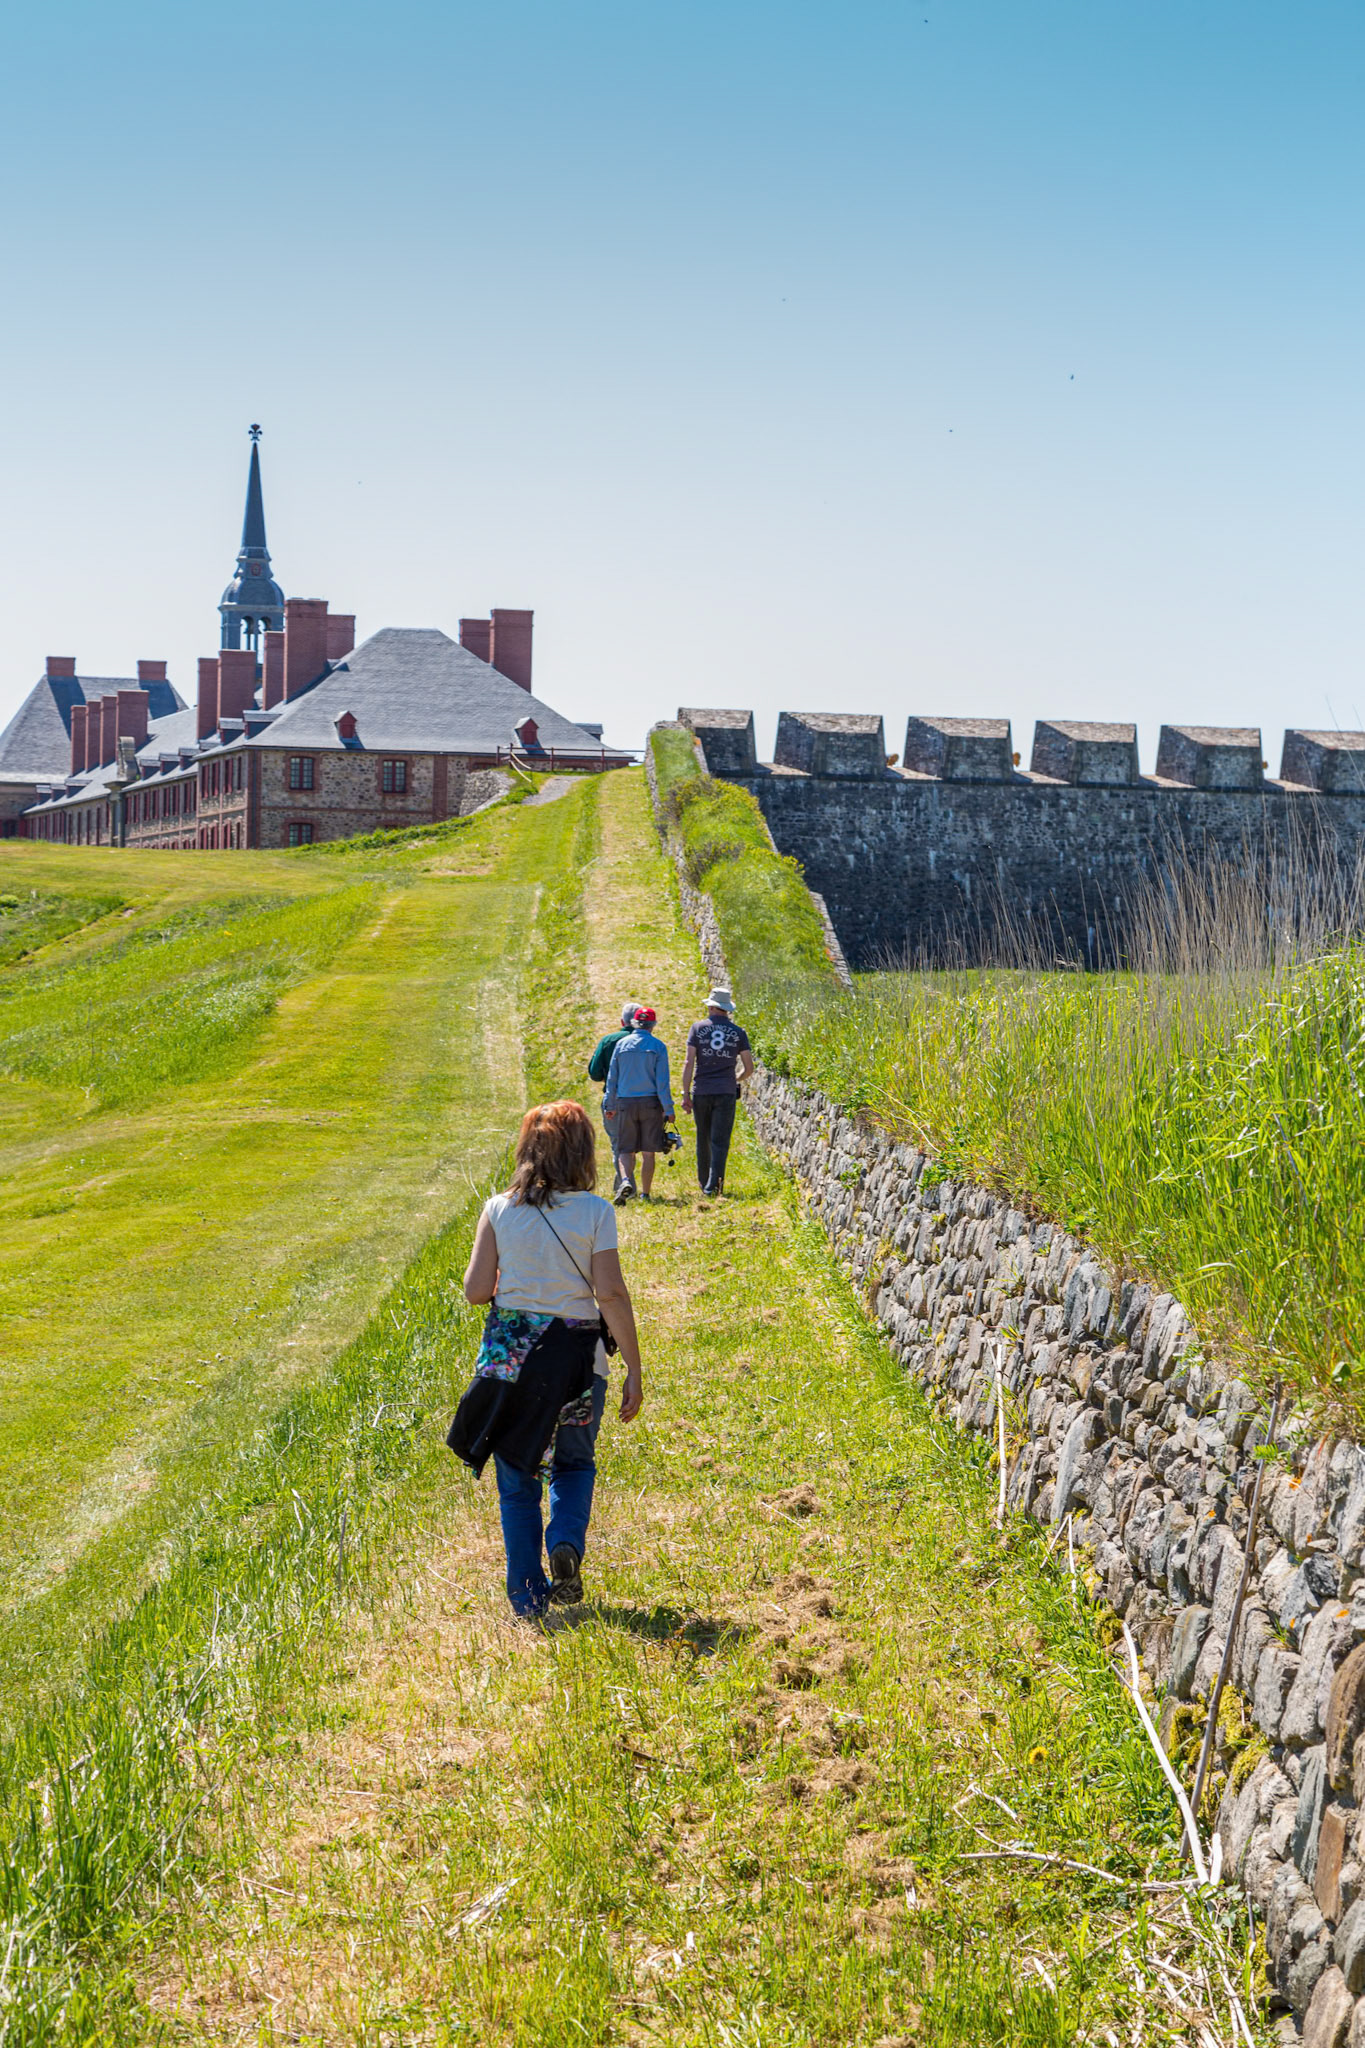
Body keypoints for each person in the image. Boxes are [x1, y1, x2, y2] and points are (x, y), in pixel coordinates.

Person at [462, 1100, 644, 1618]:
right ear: (583, 1152)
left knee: (517, 1481)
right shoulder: (596, 1212)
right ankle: (564, 1540)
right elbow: (610, 1293)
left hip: (510, 1367)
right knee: (573, 1462)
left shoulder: (499, 1209)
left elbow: (476, 1291)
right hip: (578, 1364)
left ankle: (527, 1598)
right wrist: (634, 1368)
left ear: (527, 1151)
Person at [681, 987, 754, 1196]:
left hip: (702, 1090)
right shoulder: (739, 1032)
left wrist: (685, 1093)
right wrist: (735, 1078)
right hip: (726, 1091)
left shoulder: (697, 1028)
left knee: (703, 1137)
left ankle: (704, 1182)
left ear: (712, 1007)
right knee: (720, 1140)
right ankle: (715, 1186)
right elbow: (749, 1068)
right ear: (726, 1009)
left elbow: (689, 1062)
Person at [603, 1006, 673, 1205]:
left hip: (625, 1102)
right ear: (653, 1025)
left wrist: (610, 1104)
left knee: (625, 1149)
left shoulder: (621, 1045)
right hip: (650, 1103)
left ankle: (626, 1180)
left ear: (634, 1023)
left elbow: (612, 1078)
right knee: (648, 1152)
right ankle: (646, 1194)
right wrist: (668, 1109)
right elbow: (662, 1082)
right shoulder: (658, 1046)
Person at [588, 1001, 640, 1194]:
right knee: (634, 1145)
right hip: (642, 1098)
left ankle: (626, 1186)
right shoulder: (648, 1042)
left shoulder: (608, 1041)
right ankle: (625, 1185)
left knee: (618, 1144)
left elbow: (594, 1073)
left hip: (615, 1099)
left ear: (622, 1021)